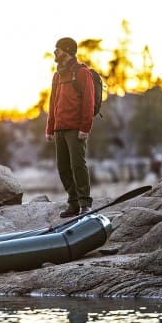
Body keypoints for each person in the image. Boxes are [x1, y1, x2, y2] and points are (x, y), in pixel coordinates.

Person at [46, 37, 95, 217]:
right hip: (60, 128)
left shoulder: (82, 73)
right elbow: (52, 103)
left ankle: (85, 204)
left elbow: (89, 102)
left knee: (78, 165)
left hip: (76, 129)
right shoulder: (57, 76)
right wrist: (50, 128)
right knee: (63, 167)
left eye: (57, 50)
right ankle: (73, 203)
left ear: (66, 51)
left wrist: (85, 128)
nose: (55, 53)